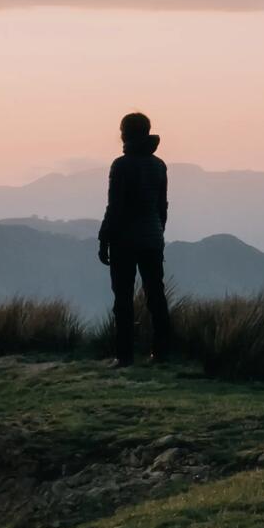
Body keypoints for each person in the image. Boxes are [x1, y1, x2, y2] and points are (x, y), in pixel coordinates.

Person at [98, 112, 172, 367]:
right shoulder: (159, 165)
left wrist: (103, 238)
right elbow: (162, 207)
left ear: (128, 133)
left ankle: (124, 355)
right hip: (152, 239)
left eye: (122, 129)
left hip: (124, 241)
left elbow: (114, 207)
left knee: (123, 299)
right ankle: (162, 352)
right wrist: (158, 233)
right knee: (156, 296)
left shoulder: (121, 165)